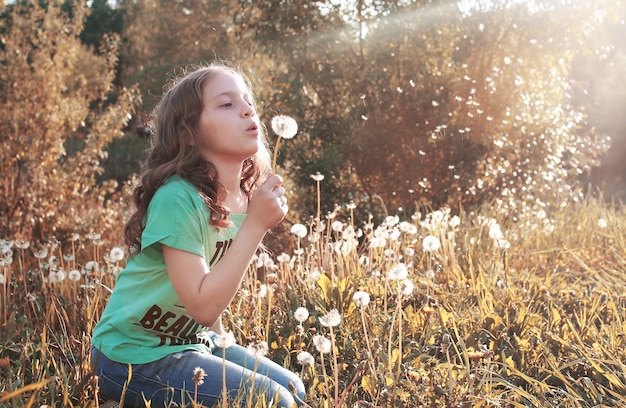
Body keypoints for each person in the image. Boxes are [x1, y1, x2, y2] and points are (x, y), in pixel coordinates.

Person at [91, 60, 306, 408]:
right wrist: (255, 225)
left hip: (193, 342)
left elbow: (211, 278)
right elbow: (204, 305)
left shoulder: (241, 197)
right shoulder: (178, 197)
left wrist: (221, 347)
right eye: (227, 103)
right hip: (130, 356)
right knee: (272, 401)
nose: (247, 109)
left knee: (294, 390)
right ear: (189, 133)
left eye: (248, 101)